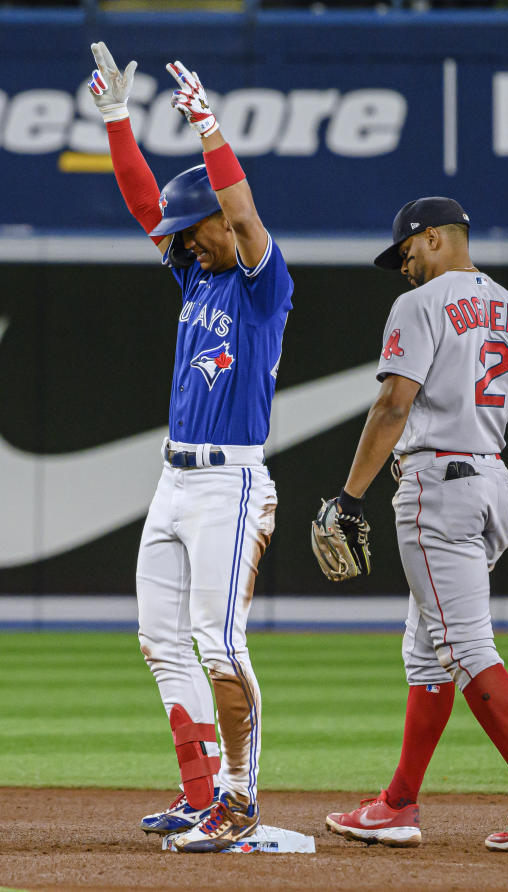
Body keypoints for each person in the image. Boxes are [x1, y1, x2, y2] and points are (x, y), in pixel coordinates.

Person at [321, 197, 508, 852]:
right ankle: (398, 804)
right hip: (491, 489)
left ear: (433, 240)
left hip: (435, 489)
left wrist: (349, 496)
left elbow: (394, 403)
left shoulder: (420, 307)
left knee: (465, 648)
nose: (403, 267)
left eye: (406, 252)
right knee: (428, 651)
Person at [87, 43, 293, 853]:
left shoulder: (260, 282)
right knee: (160, 641)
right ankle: (201, 793)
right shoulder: (198, 275)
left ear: (220, 221)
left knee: (220, 642)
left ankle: (240, 801)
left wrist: (211, 130)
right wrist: (114, 120)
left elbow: (242, 217)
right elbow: (146, 205)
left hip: (231, 484)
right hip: (173, 481)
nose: (181, 240)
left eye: (192, 227)